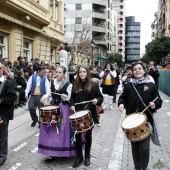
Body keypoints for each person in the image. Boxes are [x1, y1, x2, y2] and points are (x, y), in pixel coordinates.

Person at [118, 61, 162, 170]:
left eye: (139, 69)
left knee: (145, 148)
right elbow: (122, 98)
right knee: (135, 148)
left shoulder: (151, 85)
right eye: (135, 69)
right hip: (132, 122)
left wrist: (154, 105)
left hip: (146, 122)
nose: (137, 71)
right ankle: (137, 167)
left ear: (144, 70)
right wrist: (121, 103)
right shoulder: (129, 85)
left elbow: (159, 101)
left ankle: (144, 167)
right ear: (132, 72)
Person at [38, 66, 76, 162]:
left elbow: (70, 98)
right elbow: (49, 93)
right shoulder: (51, 82)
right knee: (52, 130)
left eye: (60, 72)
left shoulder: (68, 84)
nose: (57, 74)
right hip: (53, 107)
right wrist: (44, 97)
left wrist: (65, 97)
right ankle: (53, 153)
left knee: (62, 130)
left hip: (63, 108)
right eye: (57, 72)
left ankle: (63, 152)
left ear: (64, 74)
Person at [70, 65, 103, 168]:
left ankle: (87, 156)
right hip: (78, 113)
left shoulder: (93, 84)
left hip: (89, 113)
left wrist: (96, 100)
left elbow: (100, 97)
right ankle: (79, 157)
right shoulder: (75, 84)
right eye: (80, 72)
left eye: (84, 72)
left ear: (88, 73)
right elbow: (72, 98)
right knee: (77, 135)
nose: (82, 74)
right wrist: (72, 105)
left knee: (88, 135)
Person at [0, 63, 16, 166]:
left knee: (2, 137)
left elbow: (12, 98)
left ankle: (2, 156)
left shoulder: (8, 83)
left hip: (3, 114)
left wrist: (0, 101)